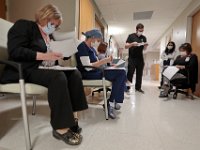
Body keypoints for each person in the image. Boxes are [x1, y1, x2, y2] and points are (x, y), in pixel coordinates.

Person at [0, 4, 88, 145]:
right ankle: (61, 128)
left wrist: (66, 52)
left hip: (44, 69)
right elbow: (15, 51)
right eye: (52, 23)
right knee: (58, 77)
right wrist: (43, 55)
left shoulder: (49, 35)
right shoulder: (24, 25)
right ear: (43, 17)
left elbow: (56, 52)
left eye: (56, 26)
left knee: (74, 73)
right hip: (25, 69)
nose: (53, 27)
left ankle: (71, 120)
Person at [76, 29, 126, 119]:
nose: (98, 43)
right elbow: (87, 67)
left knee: (122, 71)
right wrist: (104, 60)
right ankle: (111, 102)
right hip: (88, 74)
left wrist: (108, 65)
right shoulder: (82, 47)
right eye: (98, 40)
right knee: (121, 73)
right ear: (92, 38)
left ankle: (112, 101)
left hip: (97, 71)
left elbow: (97, 63)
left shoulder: (92, 49)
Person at [125, 23, 148, 94]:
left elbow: (144, 49)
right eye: (140, 30)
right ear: (136, 30)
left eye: (142, 31)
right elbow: (126, 46)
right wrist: (132, 44)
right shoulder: (131, 36)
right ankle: (127, 88)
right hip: (132, 58)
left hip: (140, 58)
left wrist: (145, 46)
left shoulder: (143, 37)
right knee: (130, 73)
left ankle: (138, 88)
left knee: (139, 74)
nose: (141, 32)